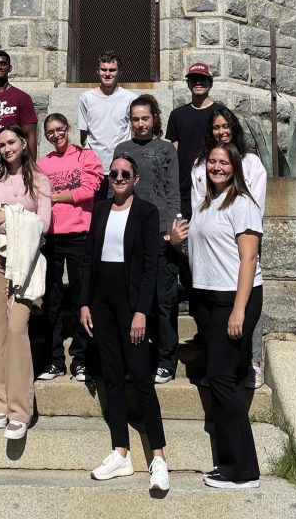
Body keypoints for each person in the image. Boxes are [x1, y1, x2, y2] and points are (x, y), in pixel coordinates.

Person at [170, 143, 263, 490]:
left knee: (220, 378)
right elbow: (200, 250)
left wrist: (239, 310)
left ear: (235, 167)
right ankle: (230, 462)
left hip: (234, 300)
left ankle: (242, 470)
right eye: (212, 161)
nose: (217, 167)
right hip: (208, 298)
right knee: (225, 377)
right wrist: (177, 243)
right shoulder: (205, 204)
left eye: (224, 162)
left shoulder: (243, 204)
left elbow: (249, 260)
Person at [80, 153, 170, 492]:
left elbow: (150, 267)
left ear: (135, 179)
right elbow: (89, 258)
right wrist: (84, 302)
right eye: (114, 173)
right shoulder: (101, 209)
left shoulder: (146, 212)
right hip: (101, 300)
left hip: (130, 302)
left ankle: (158, 457)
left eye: (124, 174)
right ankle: (121, 451)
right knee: (112, 377)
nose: (118, 178)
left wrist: (141, 311)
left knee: (141, 380)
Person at [0, 124, 51, 440]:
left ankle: (20, 411)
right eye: (2, 144)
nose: (6, 148)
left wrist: (9, 216)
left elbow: (44, 225)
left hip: (25, 260)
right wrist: (8, 220)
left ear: (23, 142)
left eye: (12, 142)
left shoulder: (40, 180)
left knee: (17, 329)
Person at [191, 105, 267, 387]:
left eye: (226, 126)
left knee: (245, 300)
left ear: (234, 128)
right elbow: (199, 201)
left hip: (242, 234)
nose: (221, 132)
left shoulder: (250, 163)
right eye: (216, 127)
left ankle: (252, 363)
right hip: (209, 241)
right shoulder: (201, 164)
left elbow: (254, 203)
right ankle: (221, 366)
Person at [114, 94, 180, 384]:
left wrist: (172, 228)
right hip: (131, 234)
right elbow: (113, 191)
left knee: (164, 302)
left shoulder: (166, 149)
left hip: (161, 233)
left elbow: (173, 190)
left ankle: (166, 360)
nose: (140, 124)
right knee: (133, 301)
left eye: (145, 118)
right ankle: (137, 359)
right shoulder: (123, 149)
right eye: (135, 119)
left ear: (155, 119)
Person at [36, 114, 103, 382]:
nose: (56, 135)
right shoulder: (42, 164)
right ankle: (54, 360)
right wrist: (64, 196)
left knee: (80, 299)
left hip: (79, 235)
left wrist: (54, 196)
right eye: (50, 132)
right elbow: (35, 194)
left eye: (60, 129)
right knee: (51, 301)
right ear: (46, 136)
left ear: (69, 129)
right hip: (51, 236)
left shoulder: (86, 157)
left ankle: (81, 359)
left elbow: (89, 190)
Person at [78, 51, 137, 193]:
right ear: (97, 71)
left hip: (121, 167)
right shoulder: (86, 98)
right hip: (95, 168)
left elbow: (134, 132)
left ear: (119, 72)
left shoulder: (130, 98)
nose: (107, 74)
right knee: (97, 210)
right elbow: (83, 135)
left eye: (112, 70)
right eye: (104, 69)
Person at [165, 62, 218, 219]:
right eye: (193, 79)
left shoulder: (220, 113)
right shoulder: (177, 115)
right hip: (184, 189)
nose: (198, 82)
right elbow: (174, 151)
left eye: (203, 79)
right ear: (188, 83)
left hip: (212, 188)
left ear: (210, 83)